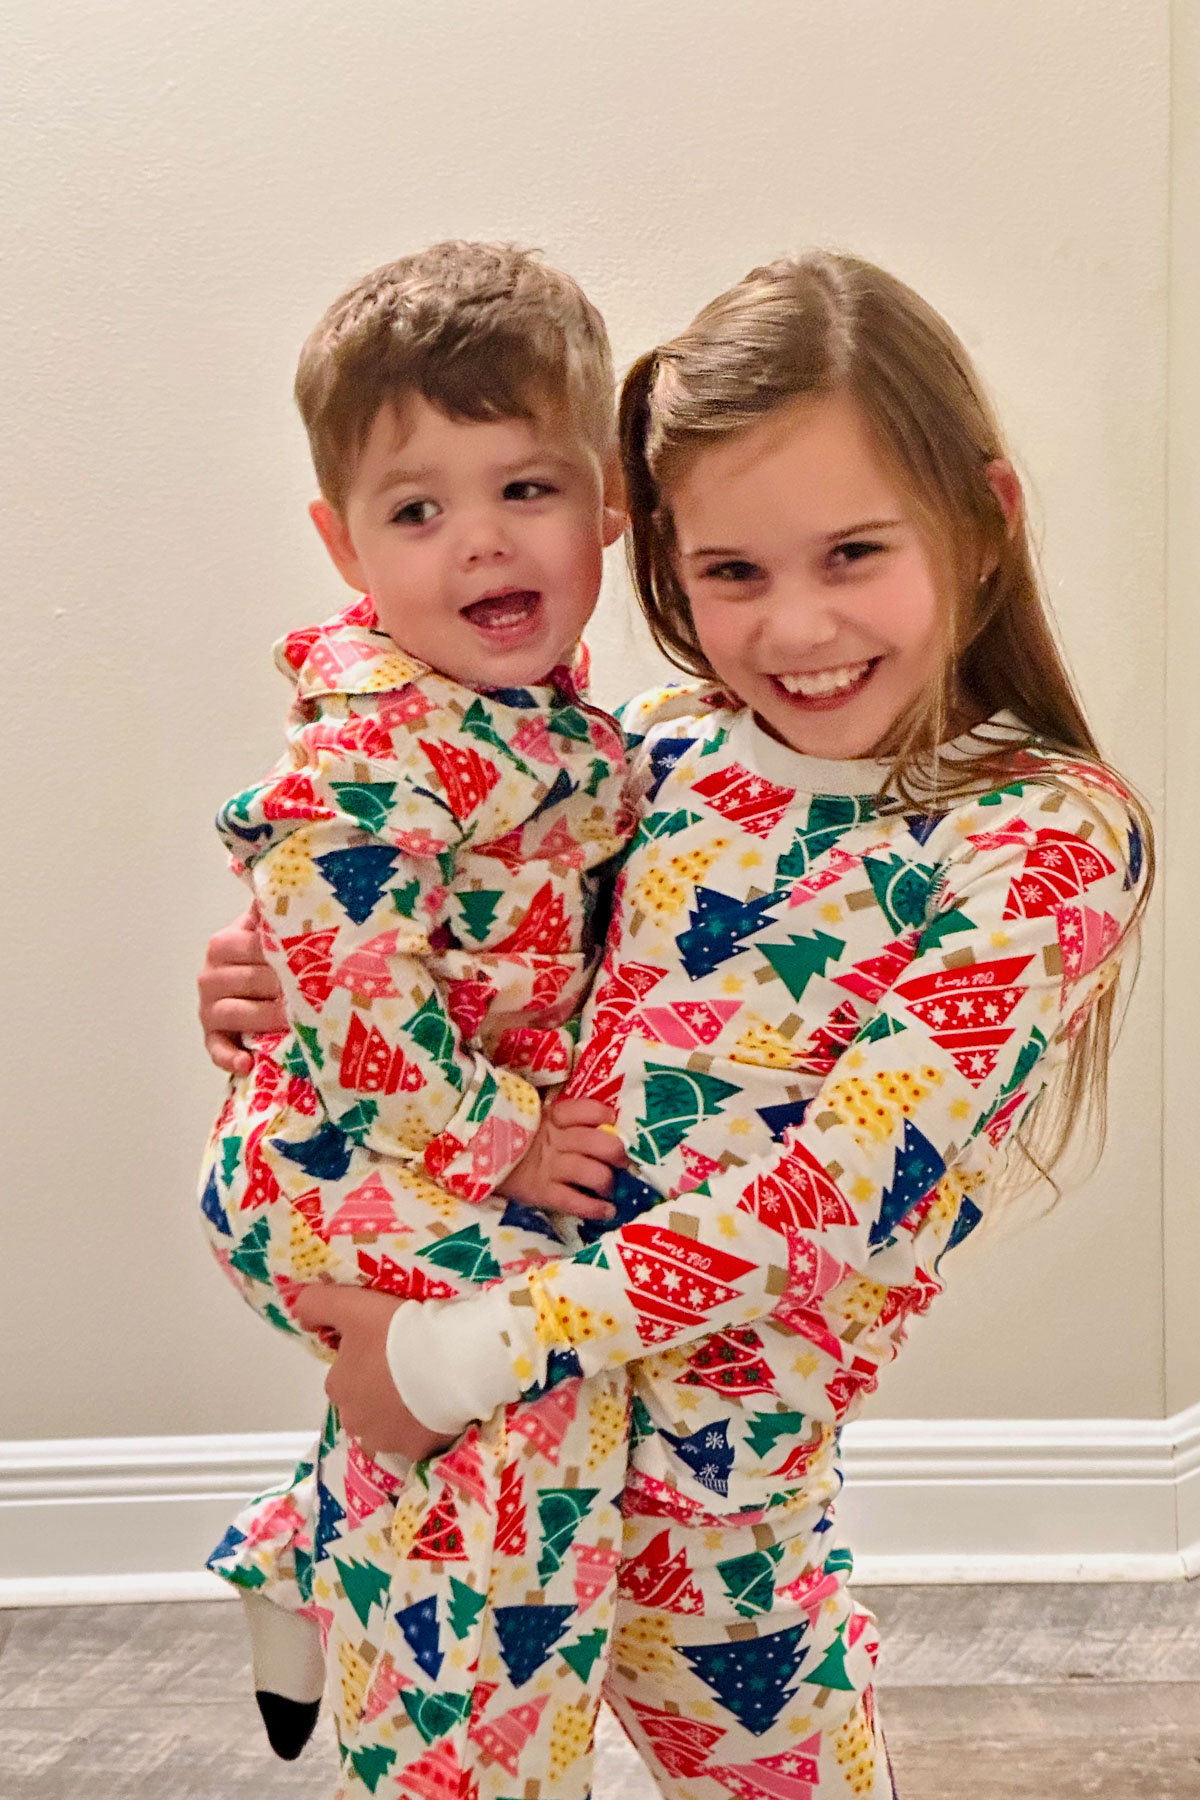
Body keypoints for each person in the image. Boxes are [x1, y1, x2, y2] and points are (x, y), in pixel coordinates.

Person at [202, 250, 1151, 1798]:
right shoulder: (651, 755)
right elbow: (466, 973)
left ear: (982, 515)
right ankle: (301, 1551)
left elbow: (822, 1205)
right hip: (468, 1500)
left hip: (709, 1545)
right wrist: (262, 981)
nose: (795, 628)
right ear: (656, 555)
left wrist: (454, 1359)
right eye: (732, 575)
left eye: (852, 551)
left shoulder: (1037, 836)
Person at [197, 240, 637, 1764]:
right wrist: (508, 1139)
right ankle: (459, 1756)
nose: (479, 546)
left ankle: (293, 1559)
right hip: (342, 1164)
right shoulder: (366, 755)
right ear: (343, 544)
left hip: (393, 1145)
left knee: (467, 1411)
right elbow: (362, 1006)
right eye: (416, 509)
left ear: (610, 502)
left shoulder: (554, 723)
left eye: (526, 488)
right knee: (531, 1384)